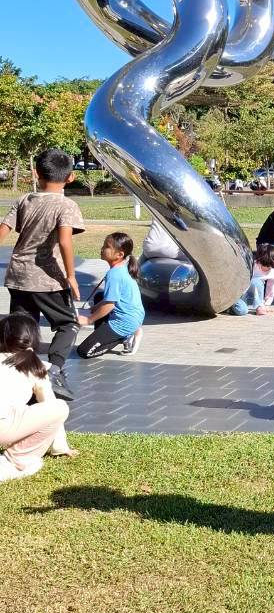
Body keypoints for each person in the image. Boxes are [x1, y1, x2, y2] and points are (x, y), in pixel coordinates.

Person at [0, 147, 84, 401]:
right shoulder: (66, 205)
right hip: (47, 279)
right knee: (68, 324)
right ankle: (54, 372)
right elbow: (65, 241)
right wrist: (71, 276)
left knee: (23, 328)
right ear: (70, 177)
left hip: (18, 276)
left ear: (37, 173)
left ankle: (19, 376)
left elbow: (3, 230)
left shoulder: (24, 200)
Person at [0, 313, 74, 480]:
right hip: (4, 427)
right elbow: (49, 403)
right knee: (59, 407)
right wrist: (60, 447)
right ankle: (16, 461)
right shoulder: (34, 366)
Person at [76, 232, 145, 357]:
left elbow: (110, 304)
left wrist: (88, 319)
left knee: (84, 351)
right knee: (100, 296)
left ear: (120, 255)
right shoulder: (122, 268)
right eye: (103, 245)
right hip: (134, 317)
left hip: (124, 322)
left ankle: (125, 336)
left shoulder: (114, 274)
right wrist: (94, 308)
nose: (102, 249)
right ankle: (106, 335)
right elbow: (110, 299)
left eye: (107, 247)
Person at [229, 245, 274, 316]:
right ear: (271, 259)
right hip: (239, 292)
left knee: (242, 311)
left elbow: (271, 289)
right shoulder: (253, 265)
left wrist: (267, 304)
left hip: (251, 295)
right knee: (256, 282)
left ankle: (229, 308)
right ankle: (259, 306)